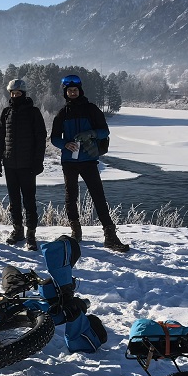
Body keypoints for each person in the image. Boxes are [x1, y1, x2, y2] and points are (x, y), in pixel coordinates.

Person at [50, 74, 128, 252]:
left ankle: (110, 235)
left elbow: (104, 131)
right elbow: (54, 138)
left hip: (89, 160)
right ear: (65, 93)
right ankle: (76, 232)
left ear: (80, 90)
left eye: (75, 90)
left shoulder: (92, 109)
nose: (72, 92)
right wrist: (64, 144)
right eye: (69, 90)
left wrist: (91, 133)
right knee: (71, 197)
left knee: (98, 195)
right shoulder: (62, 113)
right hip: (69, 161)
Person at [0, 78, 48, 249]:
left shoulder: (33, 112)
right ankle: (17, 230)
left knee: (29, 201)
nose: (15, 96)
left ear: (24, 94)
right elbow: (0, 137)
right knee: (14, 200)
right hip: (10, 164)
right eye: (12, 93)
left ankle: (31, 234)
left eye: (18, 93)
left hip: (27, 165)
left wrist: (38, 162)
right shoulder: (6, 112)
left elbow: (41, 139)